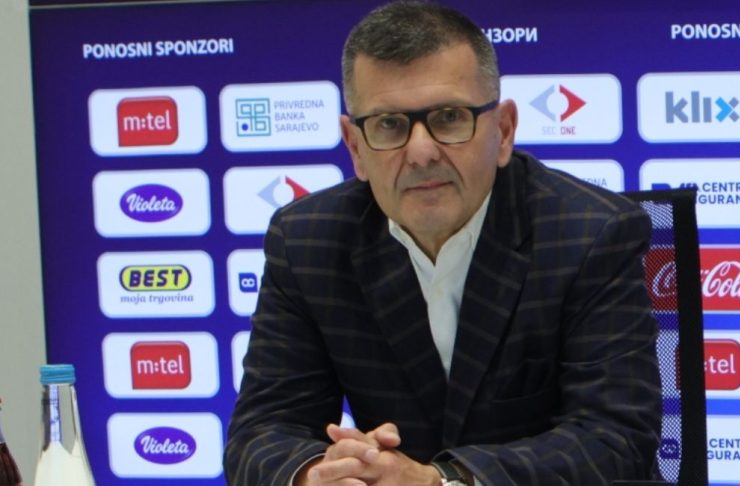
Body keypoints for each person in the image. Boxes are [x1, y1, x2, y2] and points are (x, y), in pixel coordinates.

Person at [224, 2, 661, 484]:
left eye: (449, 118)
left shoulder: (591, 234)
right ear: (355, 147)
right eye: (389, 124)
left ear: (504, 131)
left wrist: (441, 481)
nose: (421, 152)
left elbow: (614, 439)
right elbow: (261, 432)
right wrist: (319, 475)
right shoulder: (307, 242)